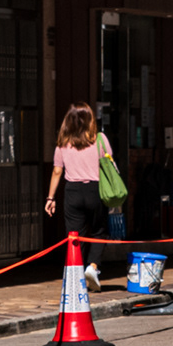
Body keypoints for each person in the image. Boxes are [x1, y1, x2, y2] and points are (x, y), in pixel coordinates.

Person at [43, 105, 112, 247]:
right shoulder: (100, 139)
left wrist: (50, 198)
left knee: (74, 237)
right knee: (99, 232)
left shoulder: (63, 143)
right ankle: (93, 261)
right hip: (96, 190)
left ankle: (76, 262)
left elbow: (57, 171)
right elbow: (108, 162)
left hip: (72, 192)